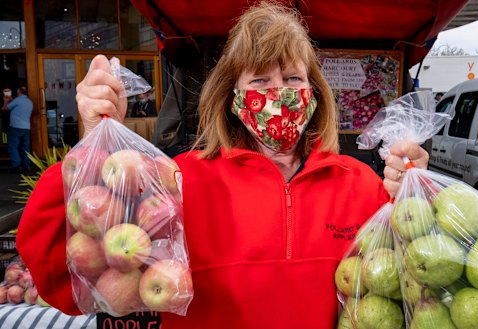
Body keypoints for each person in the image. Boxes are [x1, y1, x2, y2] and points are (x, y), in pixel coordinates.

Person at [16, 2, 428, 328]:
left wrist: (415, 195)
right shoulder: (176, 181)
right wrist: (93, 143)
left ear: (314, 93)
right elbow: (61, 277)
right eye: (260, 82)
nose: (277, 94)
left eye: (292, 79)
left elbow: (421, 287)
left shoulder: (361, 184)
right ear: (233, 98)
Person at [6, 86, 33, 172]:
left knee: (13, 146)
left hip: (16, 127)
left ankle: (16, 164)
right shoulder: (29, 102)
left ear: (19, 92)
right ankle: (26, 165)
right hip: (26, 127)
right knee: (25, 147)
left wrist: (6, 101)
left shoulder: (17, 100)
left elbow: (6, 108)